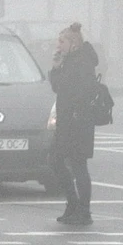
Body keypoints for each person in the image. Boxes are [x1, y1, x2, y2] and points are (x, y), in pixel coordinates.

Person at [49, 22, 99, 226]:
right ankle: (73, 204)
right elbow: (58, 88)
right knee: (57, 160)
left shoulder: (81, 62)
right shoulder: (72, 61)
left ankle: (82, 210)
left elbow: (66, 89)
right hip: (69, 121)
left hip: (77, 122)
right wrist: (57, 67)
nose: (58, 45)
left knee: (77, 165)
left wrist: (57, 69)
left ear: (74, 43)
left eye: (62, 41)